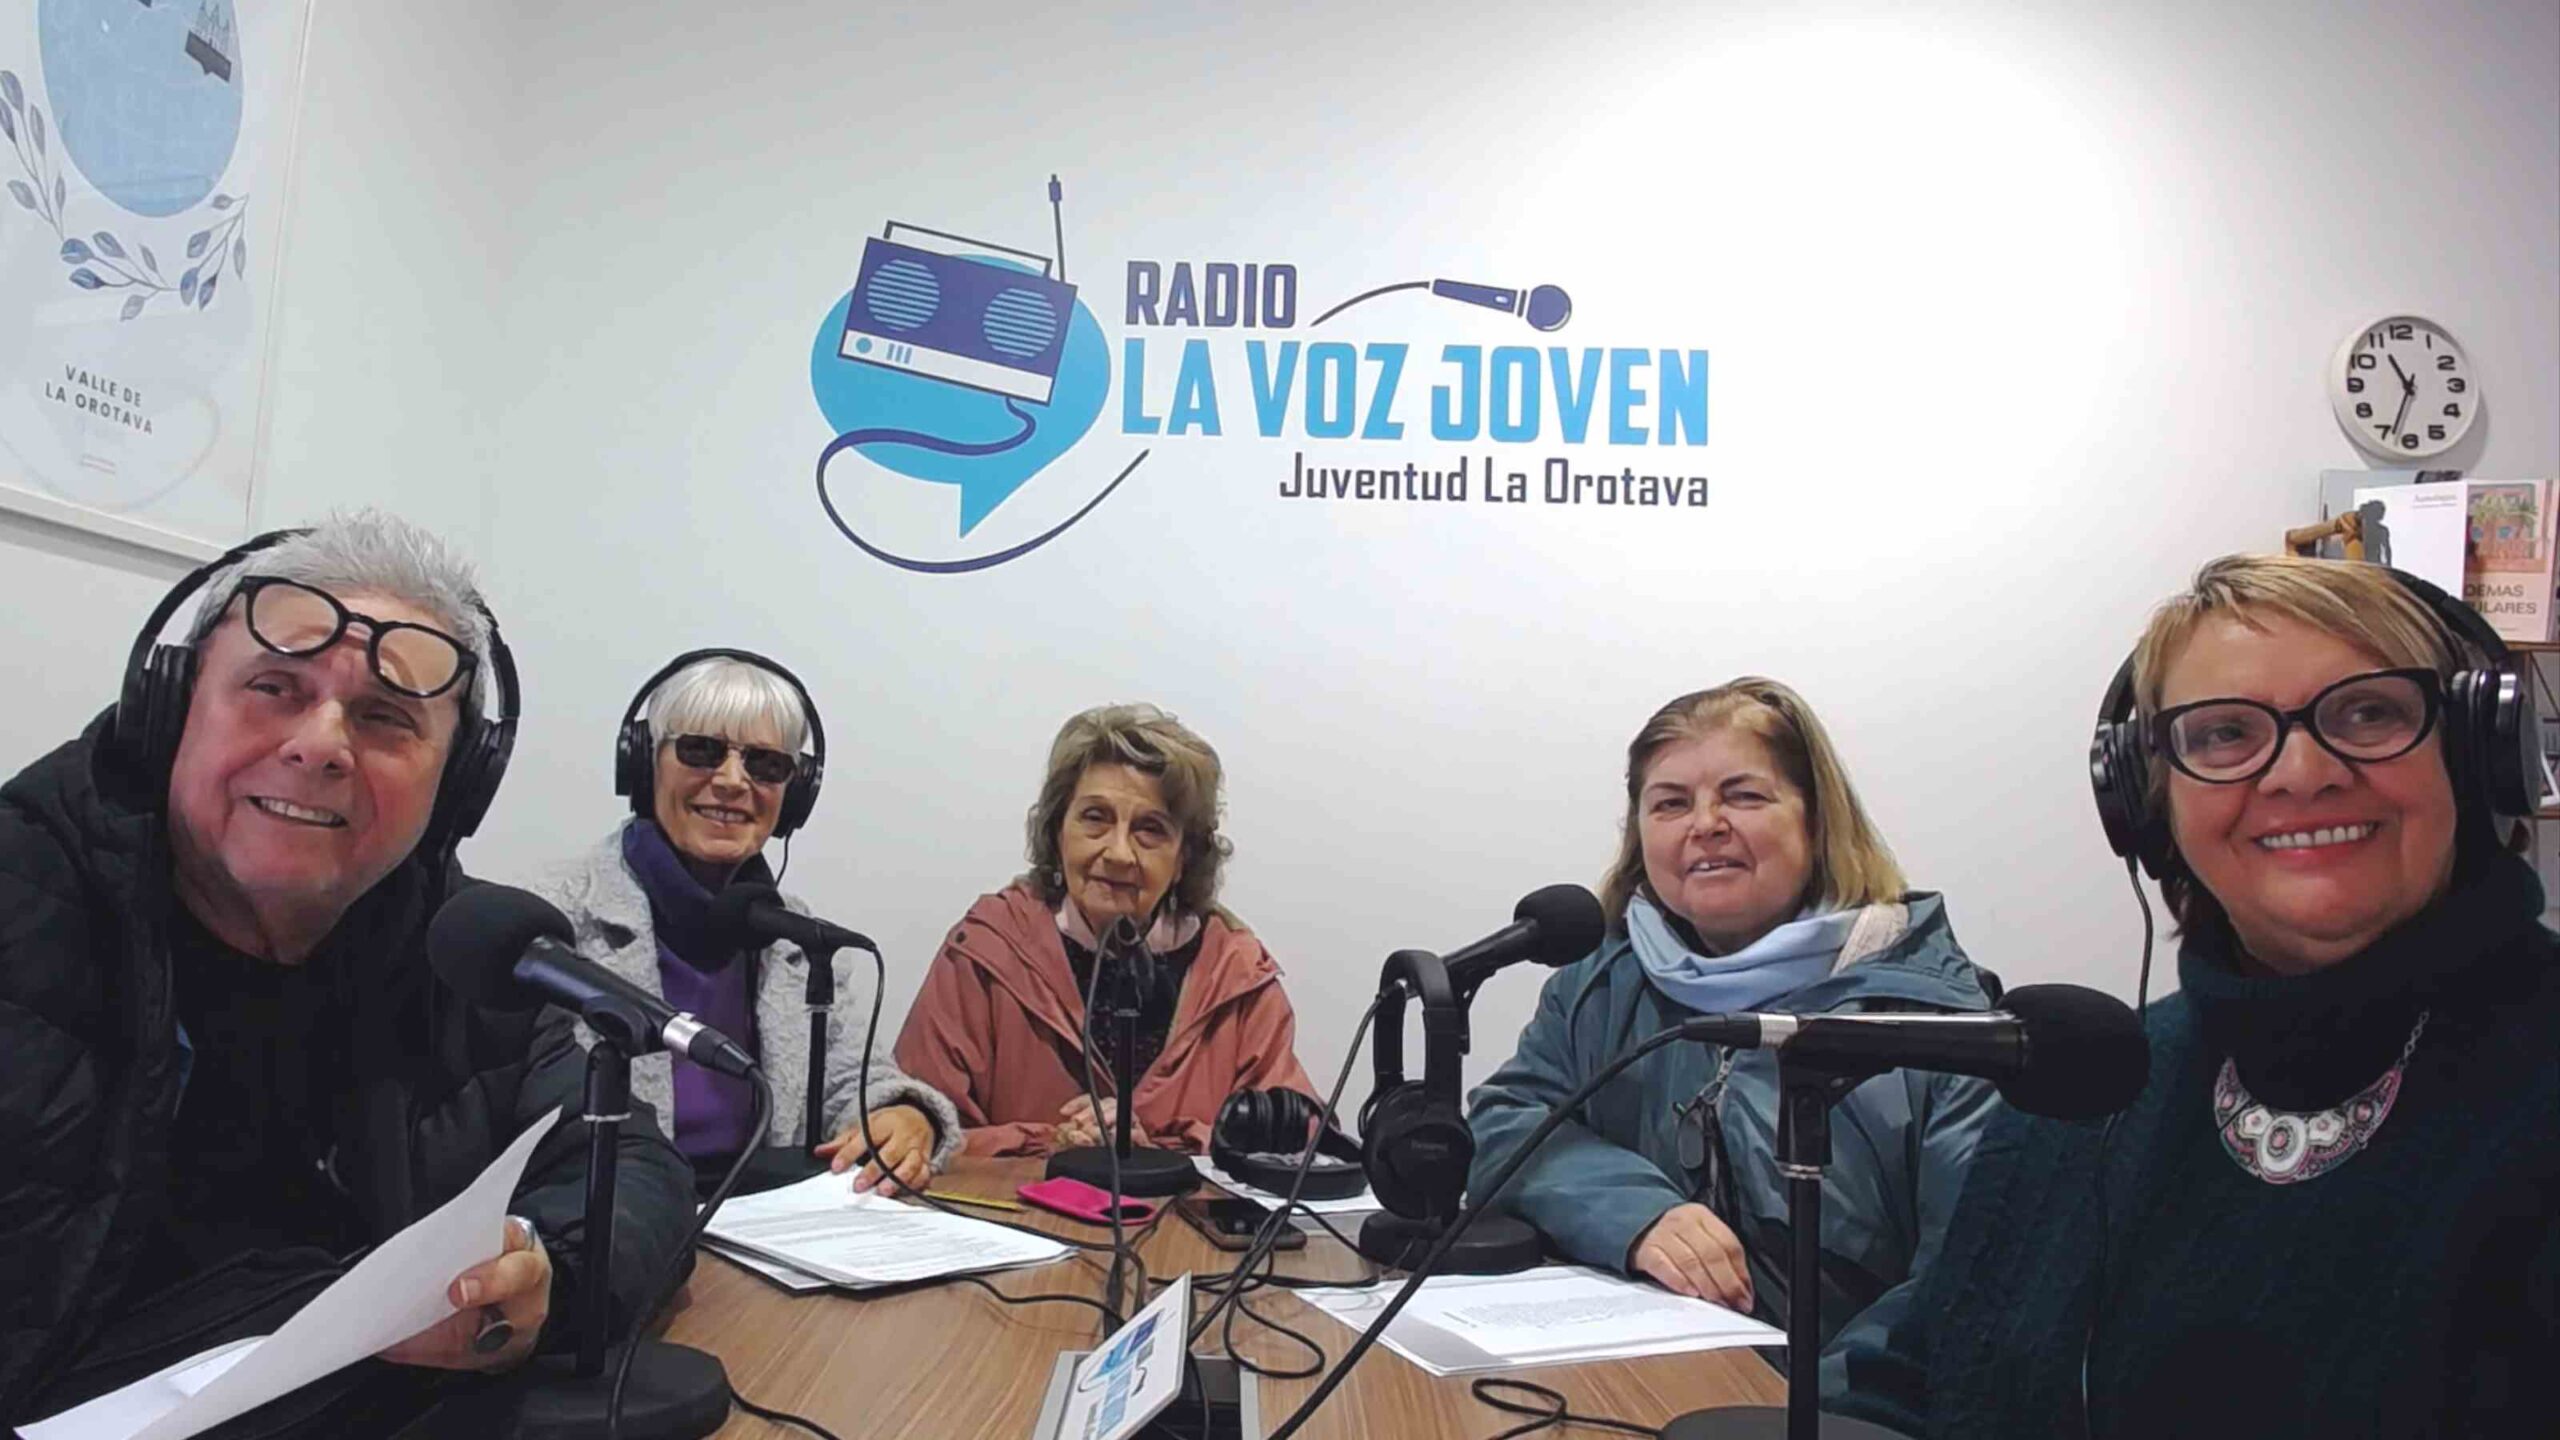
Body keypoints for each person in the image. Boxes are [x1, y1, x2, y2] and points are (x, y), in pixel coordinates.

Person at [1832, 556, 2560, 1438]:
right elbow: (1915, 1379)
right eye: (2225, 734)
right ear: (2150, 805)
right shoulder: (2088, 1090)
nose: (2301, 773)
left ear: (2474, 754)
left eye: (2370, 713)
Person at [0, 515, 695, 1435]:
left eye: (384, 718)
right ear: (169, 713)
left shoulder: (466, 949)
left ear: (456, 785)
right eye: (273, 687)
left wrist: (542, 1270)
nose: (321, 743)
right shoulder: (24, 904)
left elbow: (635, 1167)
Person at [1467, 678, 1998, 1401]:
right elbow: (1504, 1123)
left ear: (1817, 820)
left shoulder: (1943, 1021)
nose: (1706, 824)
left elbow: (1964, 1279)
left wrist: (1793, 1412)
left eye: (1743, 796)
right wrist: (1633, 1212)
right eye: (1671, 803)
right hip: (1625, 1390)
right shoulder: (1597, 986)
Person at [533, 650, 960, 1193]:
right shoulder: (555, 922)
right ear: (643, 762)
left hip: (760, 1226)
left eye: (766, 764)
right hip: (610, 1220)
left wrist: (903, 1114)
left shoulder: (795, 936)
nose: (733, 781)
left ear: (794, 793)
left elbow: (850, 1079)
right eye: (701, 751)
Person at [894, 703, 1316, 1156]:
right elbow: (916, 1135)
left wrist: (1151, 1149)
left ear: (1184, 858)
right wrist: (1054, 1144)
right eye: (1095, 818)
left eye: (1150, 829)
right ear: (1057, 831)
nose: (1118, 853)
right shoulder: (985, 952)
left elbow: (1301, 1146)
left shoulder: (1236, 977)